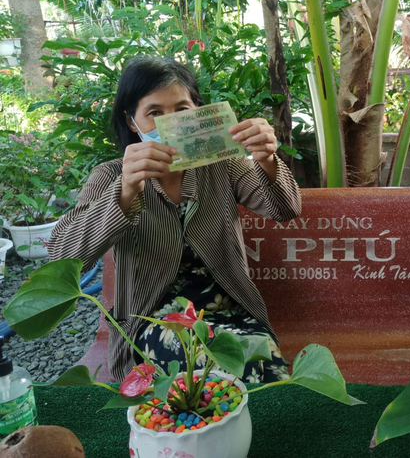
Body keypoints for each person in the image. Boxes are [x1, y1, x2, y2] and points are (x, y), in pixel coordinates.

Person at [49, 57, 302, 383]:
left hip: (230, 312)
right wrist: (125, 192)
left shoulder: (222, 164)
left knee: (261, 361)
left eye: (181, 110)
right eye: (154, 113)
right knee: (199, 361)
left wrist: (266, 158)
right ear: (131, 122)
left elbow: (285, 209)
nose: (169, 124)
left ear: (197, 111)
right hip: (152, 321)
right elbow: (63, 257)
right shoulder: (111, 175)